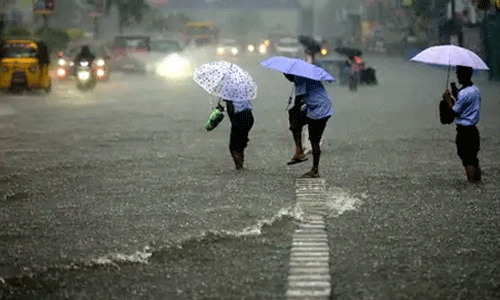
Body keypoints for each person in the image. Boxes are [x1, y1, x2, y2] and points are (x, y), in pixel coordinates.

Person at [284, 73, 333, 178]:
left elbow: (298, 101)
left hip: (320, 110)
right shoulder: (302, 76)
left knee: (314, 139)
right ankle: (299, 151)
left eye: (287, 75)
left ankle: (315, 169)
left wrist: (294, 122)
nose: (287, 78)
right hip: (316, 106)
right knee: (293, 115)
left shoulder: (300, 78)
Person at [442, 65, 482, 183]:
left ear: (463, 75)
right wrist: (456, 95)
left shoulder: (464, 93)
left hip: (464, 131)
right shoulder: (476, 90)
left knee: (467, 161)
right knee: (474, 159)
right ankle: (478, 184)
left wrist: (448, 99)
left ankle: (471, 185)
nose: (458, 77)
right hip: (474, 130)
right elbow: (467, 105)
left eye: (459, 74)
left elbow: (454, 111)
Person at [222, 97, 254, 170]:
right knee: (240, 145)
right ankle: (241, 165)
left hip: (239, 117)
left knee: (233, 147)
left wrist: (234, 123)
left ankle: (239, 167)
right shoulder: (244, 87)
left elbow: (230, 109)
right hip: (249, 116)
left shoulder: (229, 90)